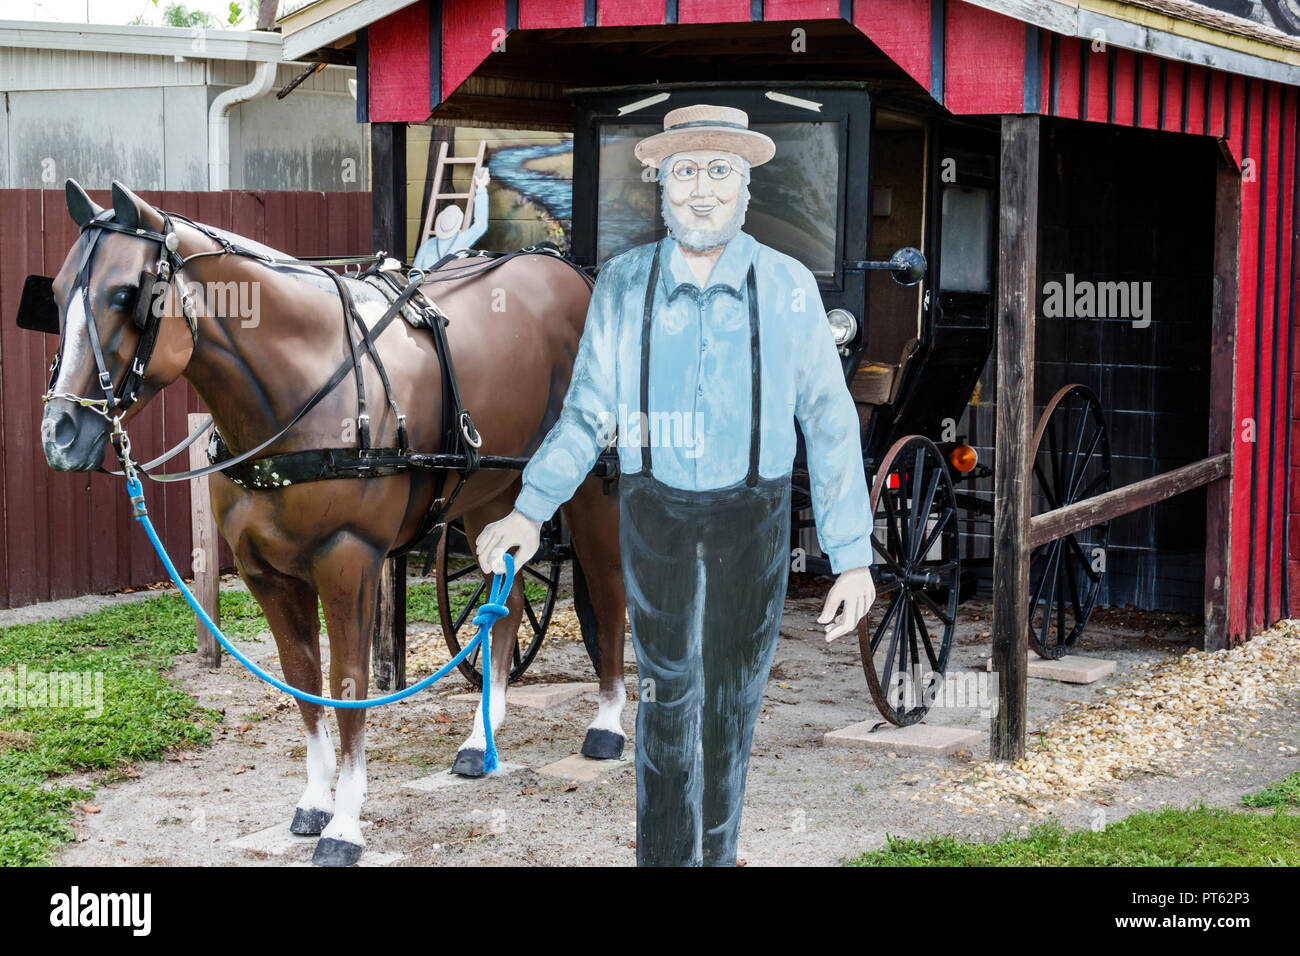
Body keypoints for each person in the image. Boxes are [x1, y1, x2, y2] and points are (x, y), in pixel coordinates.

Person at [476, 105, 876, 866]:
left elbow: (828, 422)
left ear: (746, 182)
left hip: (750, 519)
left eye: (719, 171)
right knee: (665, 699)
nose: (701, 190)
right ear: (662, 180)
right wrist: (529, 511)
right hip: (654, 514)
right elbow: (588, 411)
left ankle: (716, 857)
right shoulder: (625, 285)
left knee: (730, 704)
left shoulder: (787, 287)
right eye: (686, 170)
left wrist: (851, 554)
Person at [412, 166, 490, 269]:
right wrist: (481, 188)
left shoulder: (426, 246)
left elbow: (414, 274)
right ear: (457, 224)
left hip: (426, 284)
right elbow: (480, 225)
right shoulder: (461, 240)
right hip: (449, 284)